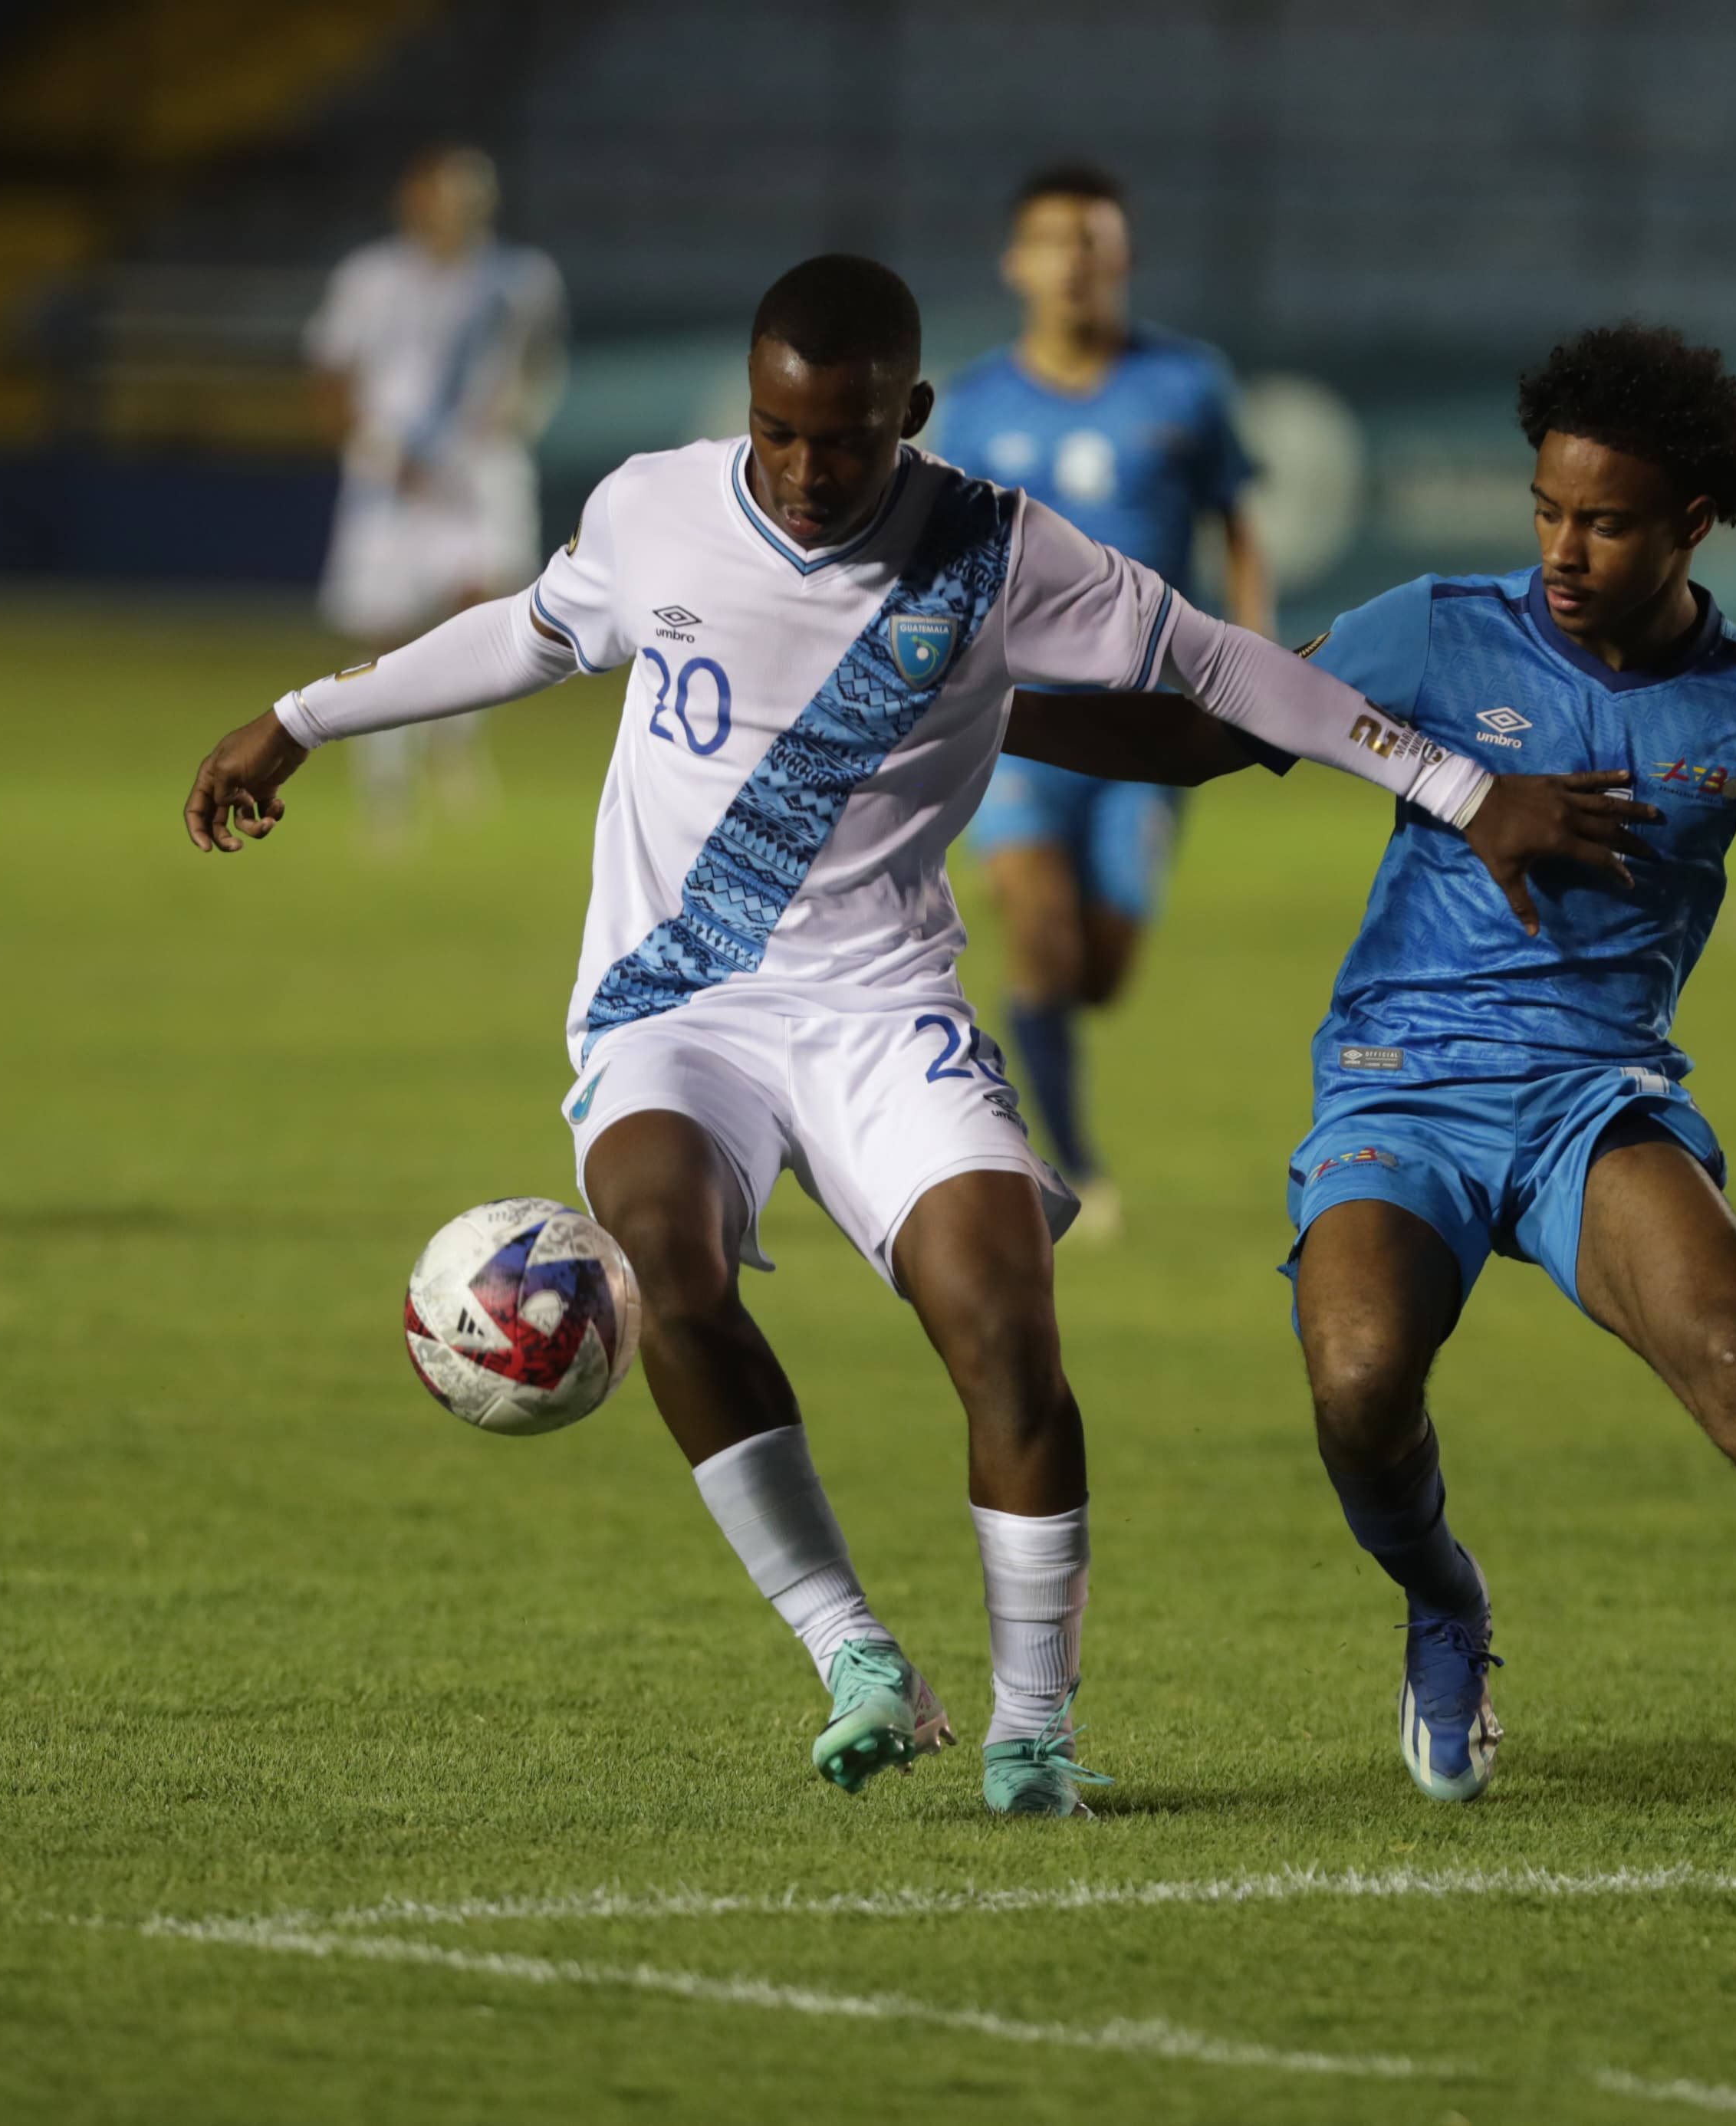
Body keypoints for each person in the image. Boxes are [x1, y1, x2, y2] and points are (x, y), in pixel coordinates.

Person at [186, 256, 1639, 1817]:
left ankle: (1033, 1733)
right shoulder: (652, 510)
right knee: (662, 1264)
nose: (808, 472)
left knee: (1007, 1333)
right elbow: (531, 635)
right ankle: (851, 1650)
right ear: (748, 407)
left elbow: (1217, 664)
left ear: (912, 417)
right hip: (676, 1005)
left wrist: (1461, 789)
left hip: (885, 1010)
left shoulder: (994, 547)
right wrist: (304, 717)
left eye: (848, 441)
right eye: (779, 432)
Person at [1010, 324, 1736, 1838]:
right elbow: (1200, 735)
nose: (1563, 547)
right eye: (1548, 509)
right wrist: (981, 705)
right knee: (1359, 1387)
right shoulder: (1431, 633)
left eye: (1606, 521)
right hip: (1397, 1089)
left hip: (1595, 1106)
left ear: (1691, 522)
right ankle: (1444, 1601)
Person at [928, 164, 1267, 1234]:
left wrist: (1254, 669)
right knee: (1036, 925)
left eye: (1095, 241)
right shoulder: (976, 405)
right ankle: (1060, 1160)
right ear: (1016, 263)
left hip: (1155, 728)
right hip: (1019, 722)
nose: (1076, 260)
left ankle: (1038, 1074)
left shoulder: (1188, 385)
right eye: (1055, 240)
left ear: (1122, 258)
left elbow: (1238, 527)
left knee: (1100, 971)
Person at [303, 145, 564, 846]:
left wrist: (516, 416)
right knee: (381, 632)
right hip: (390, 472)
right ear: (412, 202)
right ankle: (385, 791)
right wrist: (364, 446)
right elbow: (331, 371)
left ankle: (453, 740)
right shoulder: (371, 278)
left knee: (489, 605)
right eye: (439, 198)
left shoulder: (520, 279)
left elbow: (540, 366)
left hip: (477, 470)